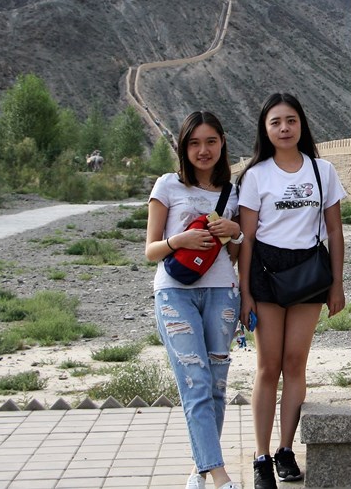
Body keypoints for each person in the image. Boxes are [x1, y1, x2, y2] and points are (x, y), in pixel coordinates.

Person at [237, 93, 347, 489]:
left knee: (296, 363)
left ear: (301, 124)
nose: (284, 128)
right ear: (265, 130)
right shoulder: (256, 175)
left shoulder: (322, 171)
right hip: (266, 272)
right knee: (268, 367)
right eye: (275, 122)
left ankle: (286, 450)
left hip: (309, 274)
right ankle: (261, 457)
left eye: (291, 120)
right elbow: (246, 238)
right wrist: (245, 291)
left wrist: (338, 283)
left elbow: (335, 230)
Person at [145, 111, 244, 489]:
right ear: (184, 147)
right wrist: (179, 241)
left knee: (216, 385)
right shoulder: (167, 185)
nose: (203, 151)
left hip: (222, 292)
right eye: (194, 143)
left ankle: (201, 469)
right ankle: (220, 476)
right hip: (174, 293)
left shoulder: (232, 192)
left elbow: (234, 257)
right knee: (196, 381)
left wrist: (234, 232)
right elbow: (150, 250)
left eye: (211, 142)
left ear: (222, 143)